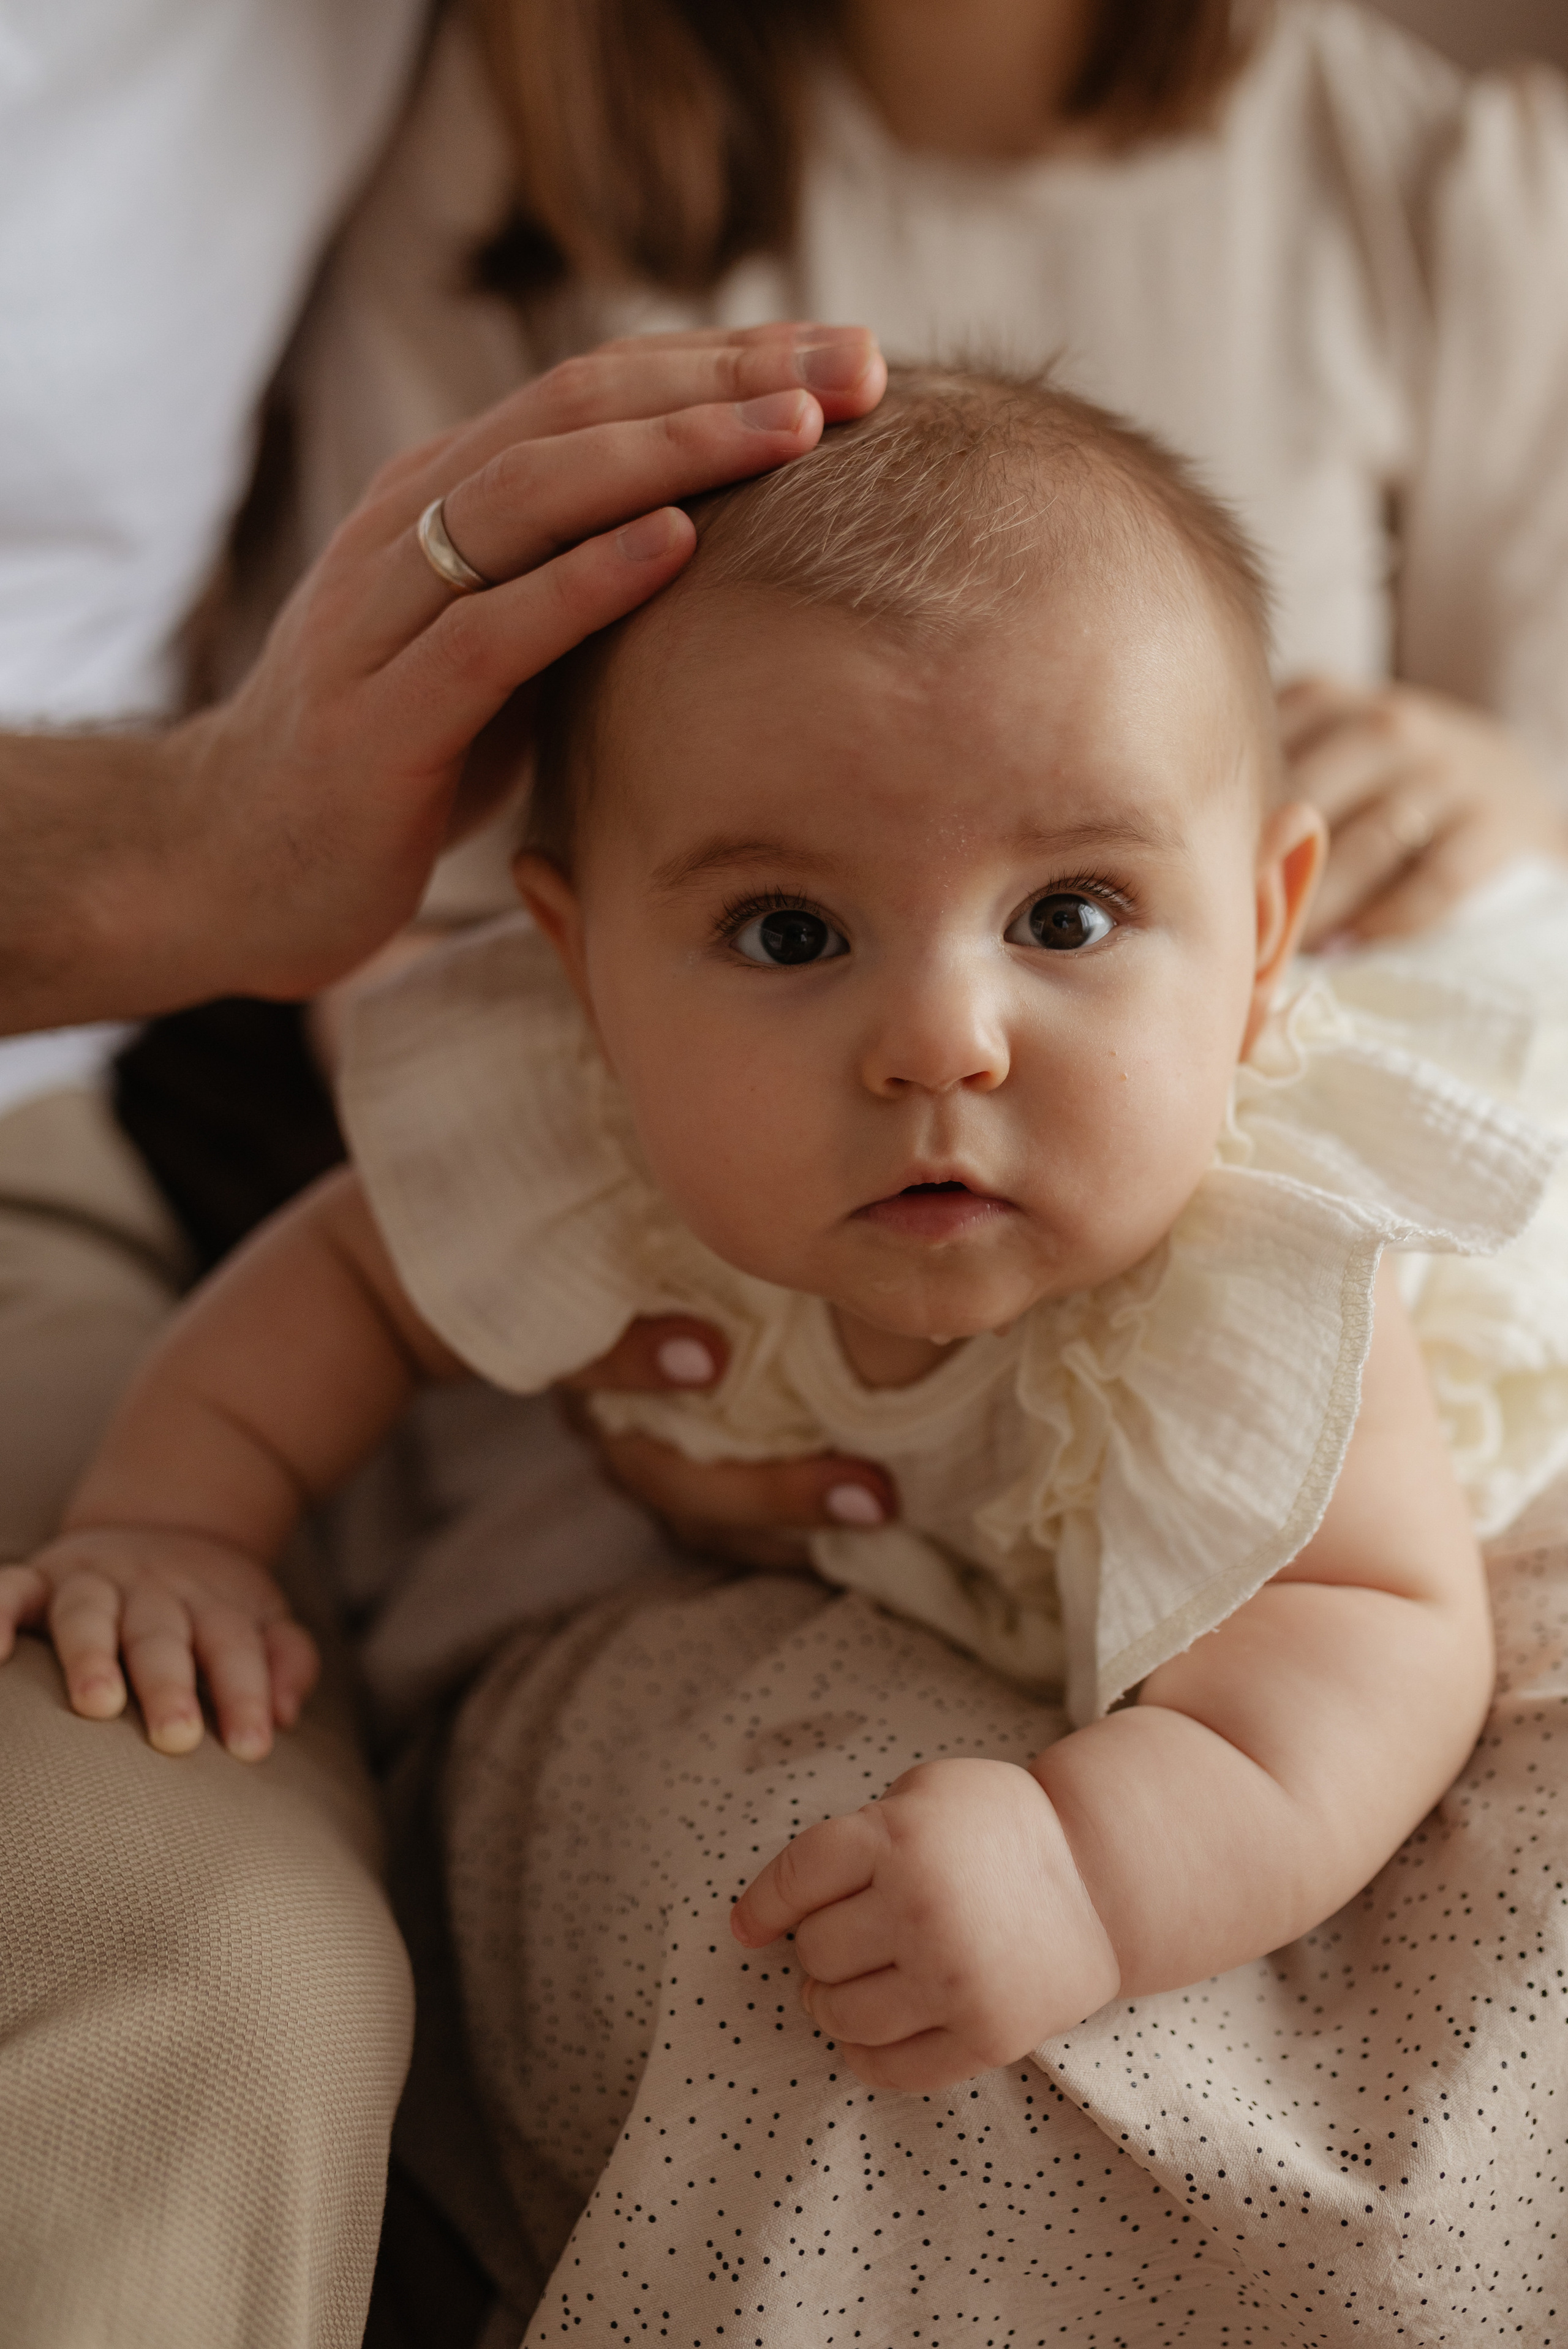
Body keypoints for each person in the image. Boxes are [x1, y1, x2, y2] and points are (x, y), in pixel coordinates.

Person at [9, 373, 1566, 2337]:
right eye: (788, 933)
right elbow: (328, 1300)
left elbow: (1377, 1627)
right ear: (581, 971)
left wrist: (1091, 1871)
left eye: (1066, 914)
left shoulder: (1259, 1266)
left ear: (1262, 945)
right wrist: (181, 1523)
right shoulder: (594, 1141)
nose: (942, 1038)